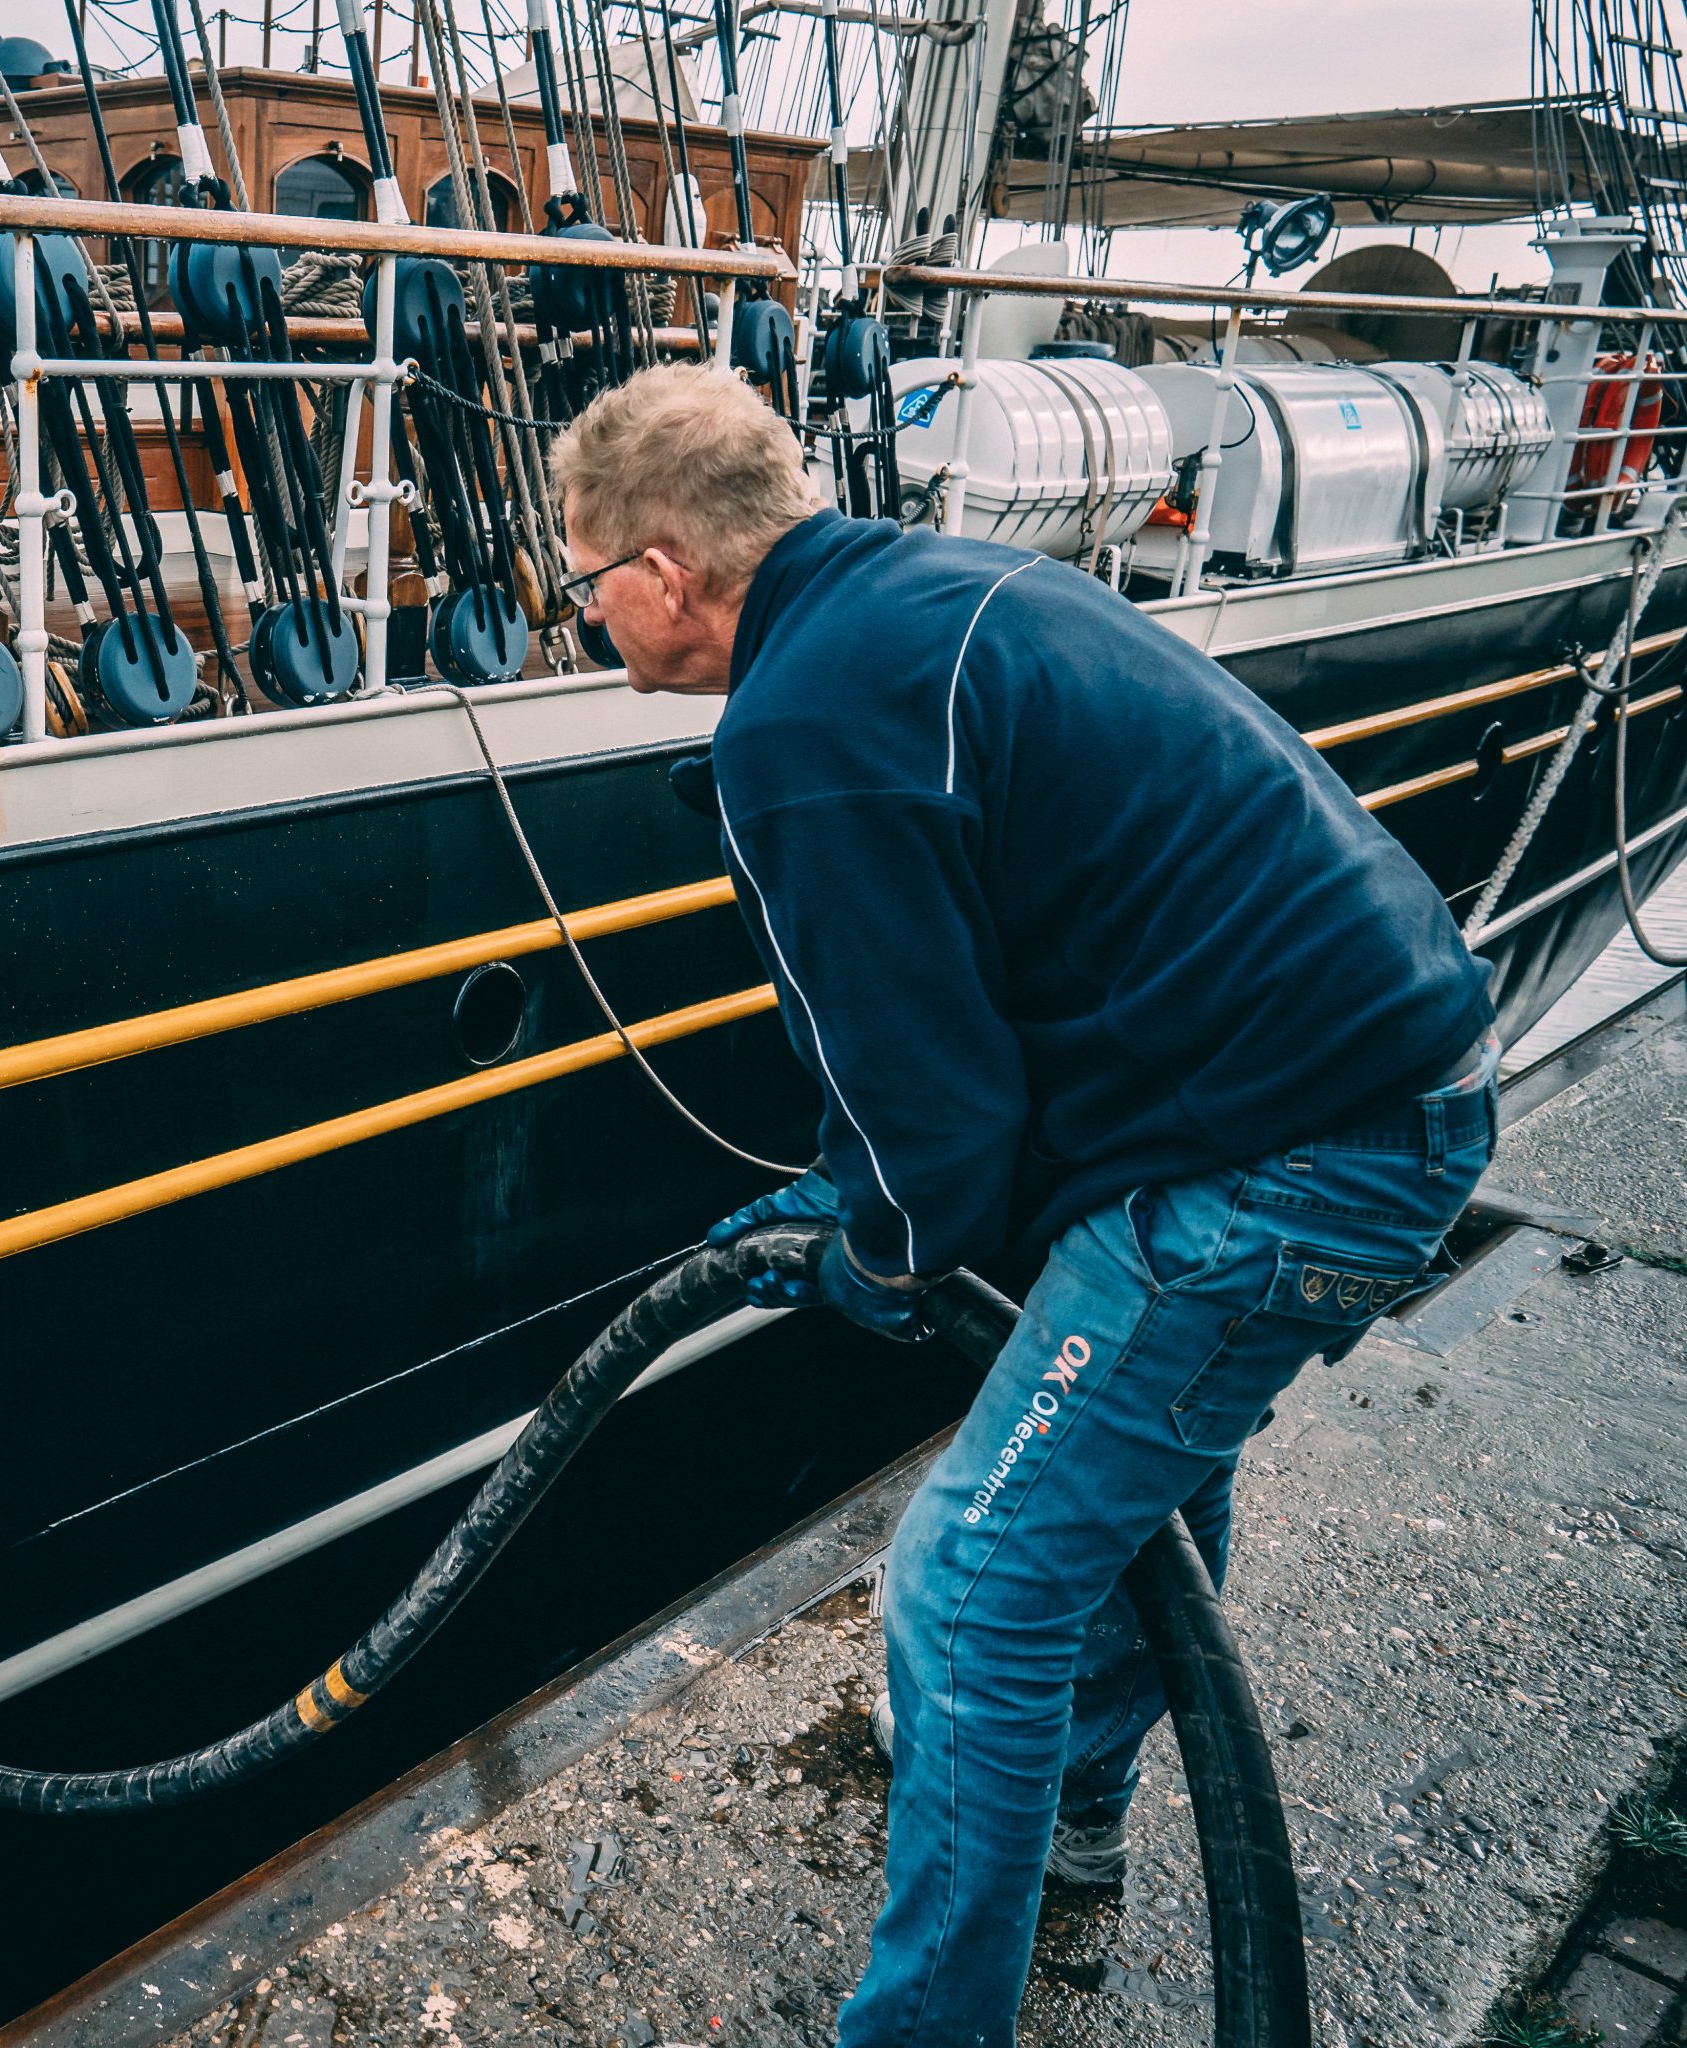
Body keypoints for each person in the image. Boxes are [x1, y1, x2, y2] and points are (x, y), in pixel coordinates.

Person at [548, 364, 1495, 2046]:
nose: (588, 610)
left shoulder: (800, 730)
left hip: (1292, 1156)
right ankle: (1064, 1818)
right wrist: (858, 1198)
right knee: (1121, 1481)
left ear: (668, 571)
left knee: (973, 1580)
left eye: (586, 578)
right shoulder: (928, 593)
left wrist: (877, 1250)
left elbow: (937, 1110)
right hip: (1375, 1089)